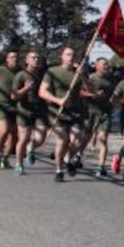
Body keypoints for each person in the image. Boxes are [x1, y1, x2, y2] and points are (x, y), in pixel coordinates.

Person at [39, 46, 91, 182]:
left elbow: (91, 90)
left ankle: (68, 158)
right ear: (61, 57)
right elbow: (42, 92)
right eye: (68, 55)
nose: (71, 57)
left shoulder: (79, 72)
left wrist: (83, 76)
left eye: (73, 55)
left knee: (78, 139)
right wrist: (57, 100)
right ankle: (58, 169)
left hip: (76, 111)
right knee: (62, 140)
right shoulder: (52, 72)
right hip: (58, 112)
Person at [11, 50, 47, 175]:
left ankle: (31, 147)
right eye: (33, 58)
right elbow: (13, 96)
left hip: (40, 110)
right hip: (24, 110)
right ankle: (18, 164)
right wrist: (25, 89)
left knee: (41, 137)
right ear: (27, 61)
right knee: (24, 138)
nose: (36, 60)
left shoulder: (42, 75)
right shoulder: (21, 75)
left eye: (37, 58)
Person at [86, 58, 116, 177]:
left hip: (105, 113)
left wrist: (114, 100)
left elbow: (115, 94)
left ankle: (101, 166)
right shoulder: (91, 78)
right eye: (104, 64)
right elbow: (80, 92)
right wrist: (93, 94)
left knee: (103, 138)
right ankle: (77, 155)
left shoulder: (110, 80)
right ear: (97, 66)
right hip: (91, 111)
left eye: (107, 64)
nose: (106, 66)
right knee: (85, 137)